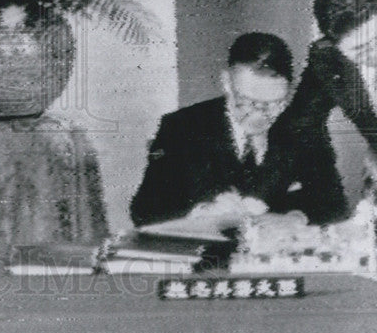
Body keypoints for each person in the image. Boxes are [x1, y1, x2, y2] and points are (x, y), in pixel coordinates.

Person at [130, 32, 345, 228]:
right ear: (226, 82)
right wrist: (201, 212)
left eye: (274, 104)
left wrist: (294, 219)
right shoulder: (182, 127)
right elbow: (145, 210)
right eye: (248, 102)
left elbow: (334, 203)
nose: (260, 114)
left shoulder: (305, 130)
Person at [277, 0, 377, 221]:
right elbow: (299, 127)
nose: (376, 55)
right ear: (336, 45)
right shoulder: (326, 58)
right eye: (359, 51)